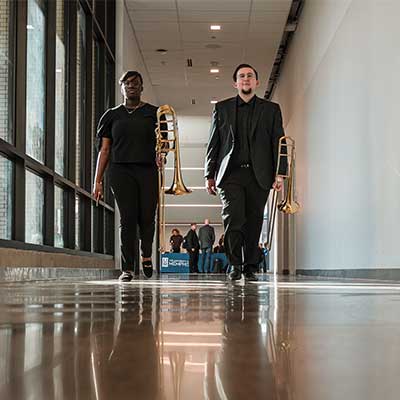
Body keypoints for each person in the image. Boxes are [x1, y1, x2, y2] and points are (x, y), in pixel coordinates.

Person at [204, 63, 285, 282]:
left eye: (250, 75)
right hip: (230, 174)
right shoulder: (222, 108)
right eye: (241, 76)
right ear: (235, 83)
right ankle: (234, 264)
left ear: (257, 82)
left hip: (259, 174)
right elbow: (213, 143)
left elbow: (279, 143)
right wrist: (209, 174)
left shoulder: (271, 109)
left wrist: (280, 175)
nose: (246, 79)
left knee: (254, 220)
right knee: (233, 217)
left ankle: (250, 265)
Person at [93, 70, 165, 282]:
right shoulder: (111, 115)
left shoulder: (155, 113)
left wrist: (162, 159)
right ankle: (127, 268)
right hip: (120, 171)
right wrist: (97, 181)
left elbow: (163, 147)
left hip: (147, 170)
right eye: (127, 83)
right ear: (121, 87)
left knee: (146, 218)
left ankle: (146, 255)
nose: (131, 86)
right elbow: (104, 150)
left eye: (136, 83)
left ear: (142, 88)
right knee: (127, 219)